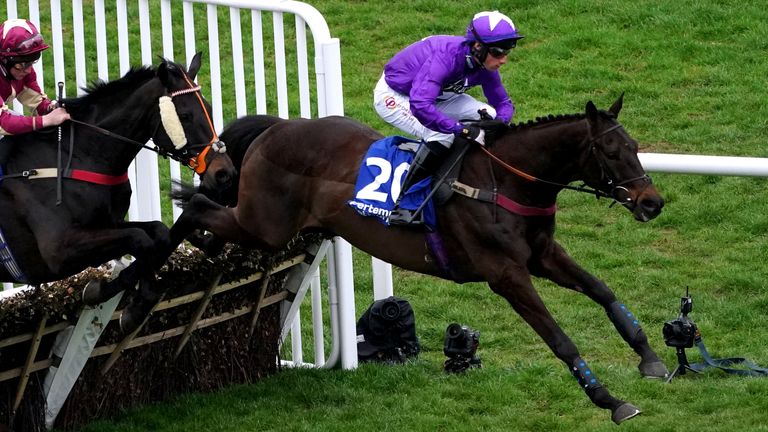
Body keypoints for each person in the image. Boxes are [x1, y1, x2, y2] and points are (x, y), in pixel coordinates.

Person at [373, 10, 523, 225]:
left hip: (438, 95)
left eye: (508, 51)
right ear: (478, 46)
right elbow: (421, 105)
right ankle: (405, 205)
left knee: (489, 115)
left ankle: (468, 178)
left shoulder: (483, 63)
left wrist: (500, 123)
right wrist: (459, 129)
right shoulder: (445, 58)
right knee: (440, 135)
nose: (504, 60)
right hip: (397, 96)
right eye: (499, 52)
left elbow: (503, 104)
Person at [0, 18, 70, 156]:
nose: (27, 70)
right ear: (4, 60)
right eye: (21, 65)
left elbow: (37, 102)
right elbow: (3, 124)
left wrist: (51, 108)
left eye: (31, 62)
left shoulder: (23, 72)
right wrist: (47, 120)